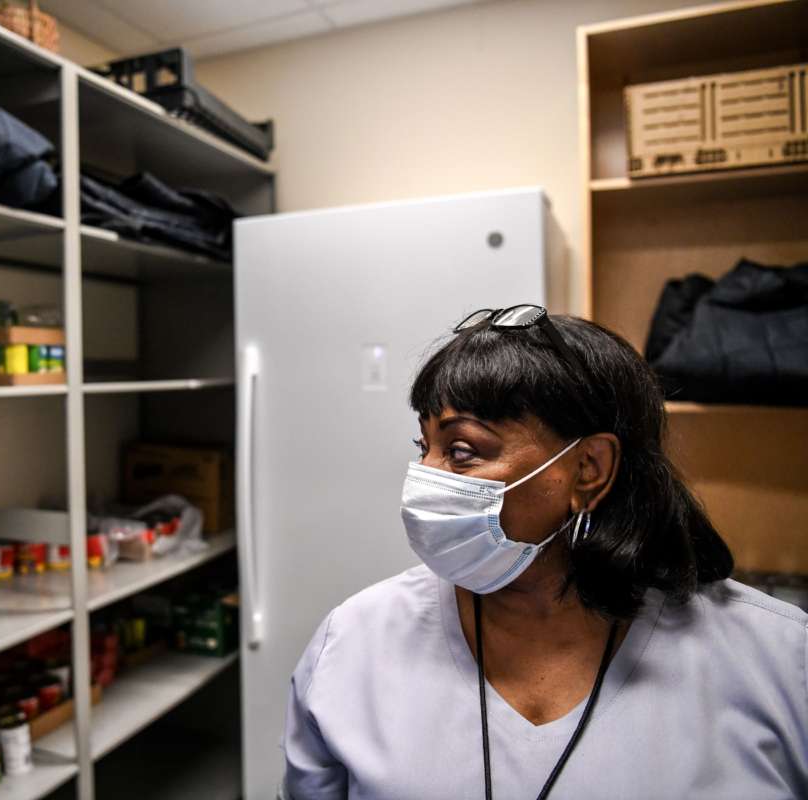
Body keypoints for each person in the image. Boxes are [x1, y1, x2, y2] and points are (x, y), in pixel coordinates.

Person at [282, 306, 807, 800]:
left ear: (588, 469)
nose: (424, 478)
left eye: (462, 451)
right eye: (426, 448)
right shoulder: (352, 642)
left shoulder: (779, 663)